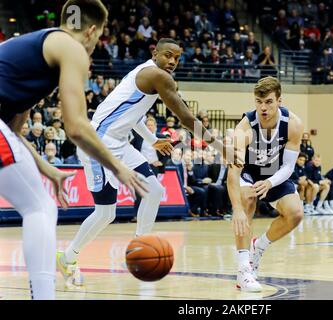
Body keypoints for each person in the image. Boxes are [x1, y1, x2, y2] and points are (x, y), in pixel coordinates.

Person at [0, 0, 148, 300]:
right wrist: (117, 166)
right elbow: (77, 127)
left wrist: (47, 169)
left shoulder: (34, 56)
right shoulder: (72, 48)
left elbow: (12, 135)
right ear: (92, 31)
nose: (97, 45)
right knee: (40, 207)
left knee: (38, 203)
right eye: (101, 37)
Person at [57, 38, 232, 289]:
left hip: (119, 142)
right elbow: (186, 118)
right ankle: (68, 257)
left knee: (155, 190)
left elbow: (134, 116)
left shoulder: (145, 75)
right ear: (155, 53)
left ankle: (141, 245)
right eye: (168, 55)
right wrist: (221, 148)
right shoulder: (157, 76)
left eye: (177, 57)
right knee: (106, 213)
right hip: (97, 143)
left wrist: (152, 140)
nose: (172, 61)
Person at [228, 76, 303, 292]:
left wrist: (270, 182)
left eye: (269, 102)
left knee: (295, 214)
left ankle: (258, 247)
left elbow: (289, 167)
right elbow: (234, 171)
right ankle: (243, 270)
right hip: (249, 173)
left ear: (280, 100)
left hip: (276, 174)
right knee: (247, 200)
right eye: (259, 102)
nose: (263, 107)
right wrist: (237, 209)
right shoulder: (244, 128)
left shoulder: (293, 124)